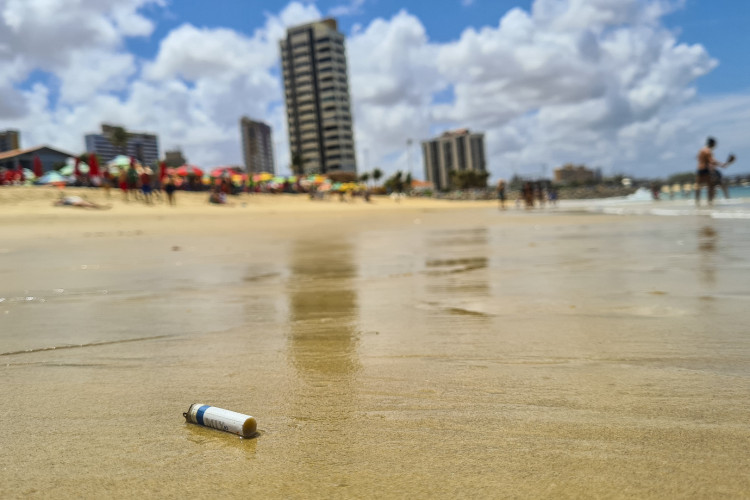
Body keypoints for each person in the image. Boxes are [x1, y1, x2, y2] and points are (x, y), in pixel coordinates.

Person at [696, 137, 733, 206]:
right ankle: (709, 203)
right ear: (712, 144)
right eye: (714, 144)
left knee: (698, 188)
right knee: (711, 187)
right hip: (706, 170)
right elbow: (711, 161)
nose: (715, 146)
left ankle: (697, 204)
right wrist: (721, 164)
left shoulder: (701, 150)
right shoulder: (708, 151)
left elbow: (701, 160)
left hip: (699, 169)